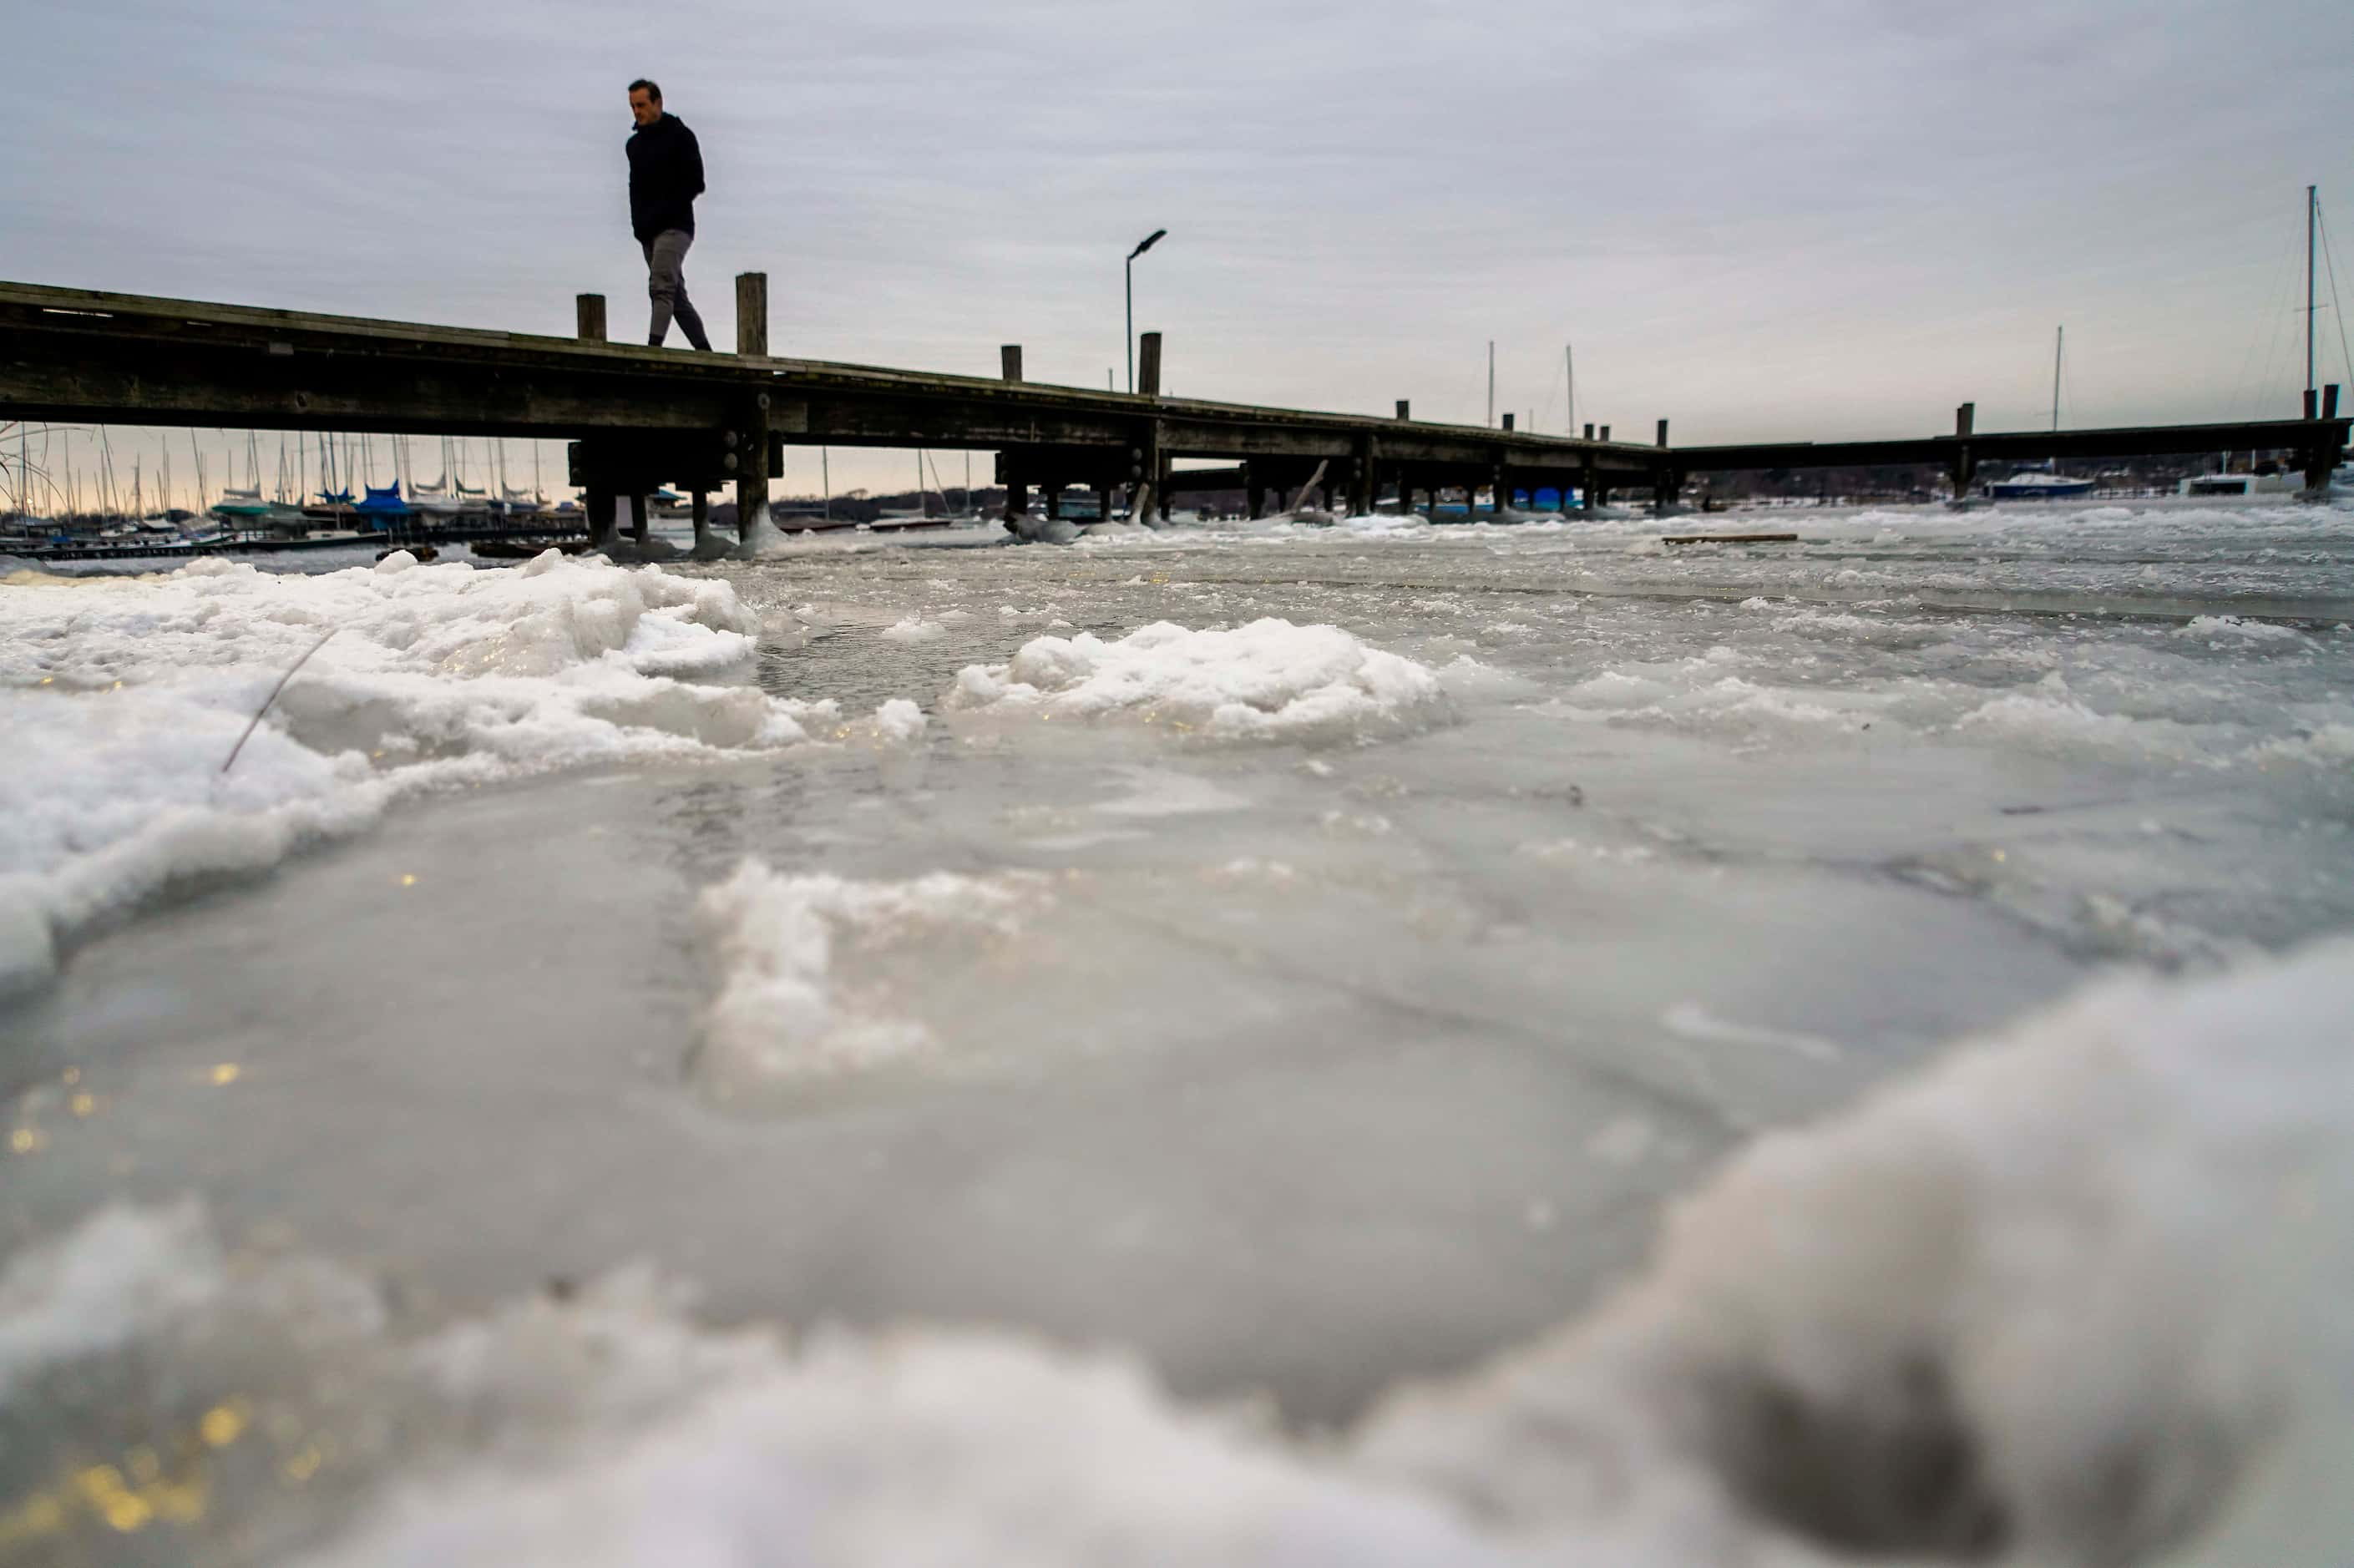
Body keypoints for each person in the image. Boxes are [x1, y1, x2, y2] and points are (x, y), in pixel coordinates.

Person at [625, 78, 711, 351]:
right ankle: (706, 353)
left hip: (676, 226)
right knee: (676, 298)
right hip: (647, 230)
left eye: (641, 105)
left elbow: (696, 181)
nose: (637, 111)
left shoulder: (680, 136)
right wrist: (638, 225)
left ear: (657, 103)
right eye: (633, 106)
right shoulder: (634, 146)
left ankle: (653, 350)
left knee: (661, 286)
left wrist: (667, 208)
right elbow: (634, 187)